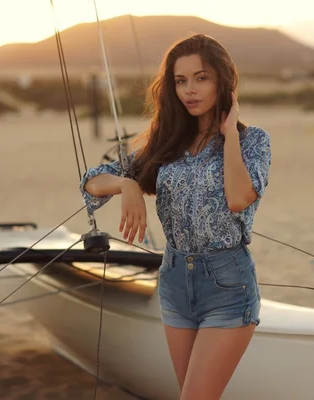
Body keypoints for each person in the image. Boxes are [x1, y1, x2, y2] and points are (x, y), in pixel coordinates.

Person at [80, 33, 272, 400]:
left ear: (223, 80)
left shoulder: (253, 141)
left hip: (227, 285)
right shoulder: (166, 142)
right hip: (174, 282)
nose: (190, 90)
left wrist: (229, 133)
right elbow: (90, 182)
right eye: (180, 81)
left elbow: (238, 198)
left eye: (201, 78)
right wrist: (127, 184)